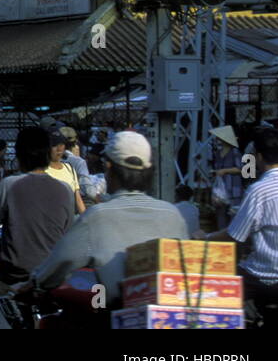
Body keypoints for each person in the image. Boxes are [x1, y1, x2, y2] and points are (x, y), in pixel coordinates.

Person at [25, 131, 189, 307]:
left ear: (109, 168)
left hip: (113, 312)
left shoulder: (97, 216)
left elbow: (60, 263)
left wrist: (35, 282)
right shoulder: (173, 214)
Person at [0, 127, 75, 329]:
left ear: (18, 156)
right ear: (48, 154)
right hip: (53, 272)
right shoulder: (66, 190)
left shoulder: (10, 185)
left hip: (15, 271)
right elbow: (67, 230)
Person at [201, 127, 278, 329]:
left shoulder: (258, 188)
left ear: (259, 156)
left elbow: (234, 236)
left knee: (215, 288)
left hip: (270, 278)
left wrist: (206, 237)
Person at [209, 126, 245, 229]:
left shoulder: (235, 152)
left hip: (233, 189)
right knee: (221, 216)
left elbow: (241, 169)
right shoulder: (217, 154)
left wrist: (225, 171)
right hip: (221, 191)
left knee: (233, 215)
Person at [46, 132, 87, 215]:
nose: (59, 149)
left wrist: (85, 219)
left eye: (61, 144)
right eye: (54, 145)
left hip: (71, 221)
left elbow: (78, 200)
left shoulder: (69, 168)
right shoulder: (43, 171)